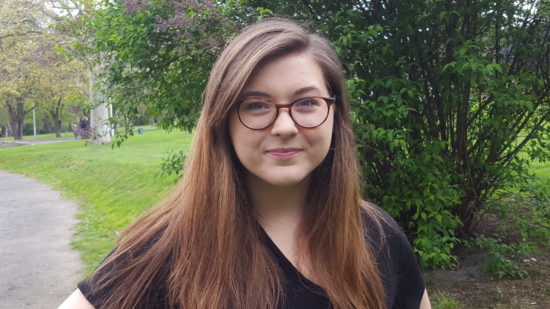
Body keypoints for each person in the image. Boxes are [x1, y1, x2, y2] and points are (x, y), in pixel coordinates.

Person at [59, 18, 431, 309]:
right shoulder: (166, 246)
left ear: (336, 113)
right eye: (255, 105)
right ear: (223, 122)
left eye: (306, 102)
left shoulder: (379, 235)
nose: (285, 126)